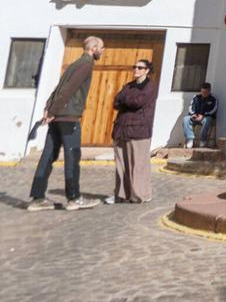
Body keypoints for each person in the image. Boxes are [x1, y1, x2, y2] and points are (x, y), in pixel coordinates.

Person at [27, 36, 105, 211]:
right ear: (93, 48)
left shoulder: (74, 64)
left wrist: (49, 109)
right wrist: (52, 110)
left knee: (48, 155)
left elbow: (59, 87)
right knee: (72, 156)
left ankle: (37, 198)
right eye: (101, 48)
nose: (103, 51)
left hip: (57, 116)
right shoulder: (85, 64)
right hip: (68, 118)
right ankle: (74, 197)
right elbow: (68, 89)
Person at [108, 58, 157, 204]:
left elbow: (137, 102)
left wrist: (124, 99)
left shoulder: (150, 87)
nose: (136, 69)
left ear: (147, 71)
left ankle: (140, 194)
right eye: (134, 67)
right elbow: (116, 102)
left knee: (138, 164)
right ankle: (121, 194)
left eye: (140, 67)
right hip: (122, 128)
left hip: (139, 130)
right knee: (121, 164)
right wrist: (125, 99)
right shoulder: (129, 86)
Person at [183, 82, 219, 148]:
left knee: (207, 120)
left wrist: (203, 115)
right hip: (195, 116)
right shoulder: (196, 97)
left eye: (205, 92)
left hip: (206, 117)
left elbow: (214, 109)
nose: (203, 94)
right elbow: (191, 107)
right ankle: (190, 139)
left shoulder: (213, 99)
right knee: (186, 119)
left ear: (209, 91)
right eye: (202, 92)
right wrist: (194, 114)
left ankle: (203, 140)